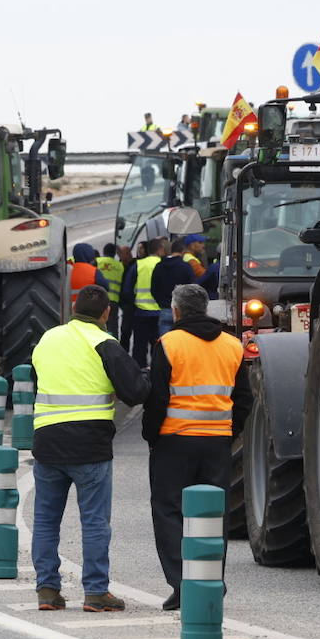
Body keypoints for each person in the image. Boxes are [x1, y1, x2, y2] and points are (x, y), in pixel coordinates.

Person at [30, 285, 150, 613]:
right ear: (106, 314)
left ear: (73, 308)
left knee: (45, 519)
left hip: (47, 442)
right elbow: (136, 391)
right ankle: (96, 592)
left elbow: (35, 377)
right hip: (90, 446)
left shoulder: (48, 339)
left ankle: (47, 591)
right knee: (95, 521)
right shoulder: (104, 344)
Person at [144, 284, 252, 611]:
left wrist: (153, 436)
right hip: (217, 442)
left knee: (169, 510)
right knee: (211, 514)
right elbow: (245, 399)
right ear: (206, 309)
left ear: (176, 311)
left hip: (174, 440)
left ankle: (181, 584)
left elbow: (157, 398)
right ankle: (209, 581)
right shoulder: (233, 346)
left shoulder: (169, 344)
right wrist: (228, 433)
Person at [126, 238, 163, 366]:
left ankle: (139, 373)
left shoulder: (139, 265)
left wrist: (133, 304)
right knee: (158, 346)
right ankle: (155, 373)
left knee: (139, 347)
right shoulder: (163, 264)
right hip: (159, 312)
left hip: (141, 312)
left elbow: (127, 289)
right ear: (160, 249)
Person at [152, 236, 196, 335]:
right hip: (183, 311)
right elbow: (193, 288)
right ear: (183, 251)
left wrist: (162, 302)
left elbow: (153, 289)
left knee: (165, 343)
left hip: (165, 309)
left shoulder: (159, 266)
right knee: (181, 342)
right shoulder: (186, 267)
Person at [95, 244, 124, 336]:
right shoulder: (119, 266)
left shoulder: (97, 261)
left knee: (97, 325)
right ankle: (112, 344)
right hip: (113, 300)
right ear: (114, 253)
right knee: (112, 326)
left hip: (98, 299)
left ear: (103, 252)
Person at [68, 242, 104, 307]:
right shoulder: (93, 271)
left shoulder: (67, 270)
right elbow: (106, 286)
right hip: (87, 309)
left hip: (68, 309)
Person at [116, 245, 135, 350]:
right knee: (125, 330)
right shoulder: (120, 265)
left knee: (128, 329)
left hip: (132, 302)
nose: (120, 256)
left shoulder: (134, 265)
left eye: (121, 254)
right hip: (125, 303)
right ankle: (124, 351)